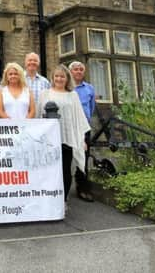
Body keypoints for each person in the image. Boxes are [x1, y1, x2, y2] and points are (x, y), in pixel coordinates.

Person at [38, 65, 90, 203]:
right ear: (52, 78)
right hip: (48, 140)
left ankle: (63, 200)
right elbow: (38, 116)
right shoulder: (45, 94)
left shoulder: (72, 95)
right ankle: (49, 200)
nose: (59, 79)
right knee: (49, 170)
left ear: (67, 79)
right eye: (57, 76)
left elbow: (79, 117)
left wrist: (82, 139)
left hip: (66, 138)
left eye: (62, 76)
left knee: (65, 170)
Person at [69, 60, 96, 202]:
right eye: (75, 69)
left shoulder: (89, 88)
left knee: (83, 157)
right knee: (67, 156)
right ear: (71, 72)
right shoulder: (67, 88)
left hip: (83, 127)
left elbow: (91, 108)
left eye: (81, 69)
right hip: (69, 126)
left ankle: (83, 188)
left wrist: (85, 122)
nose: (78, 71)